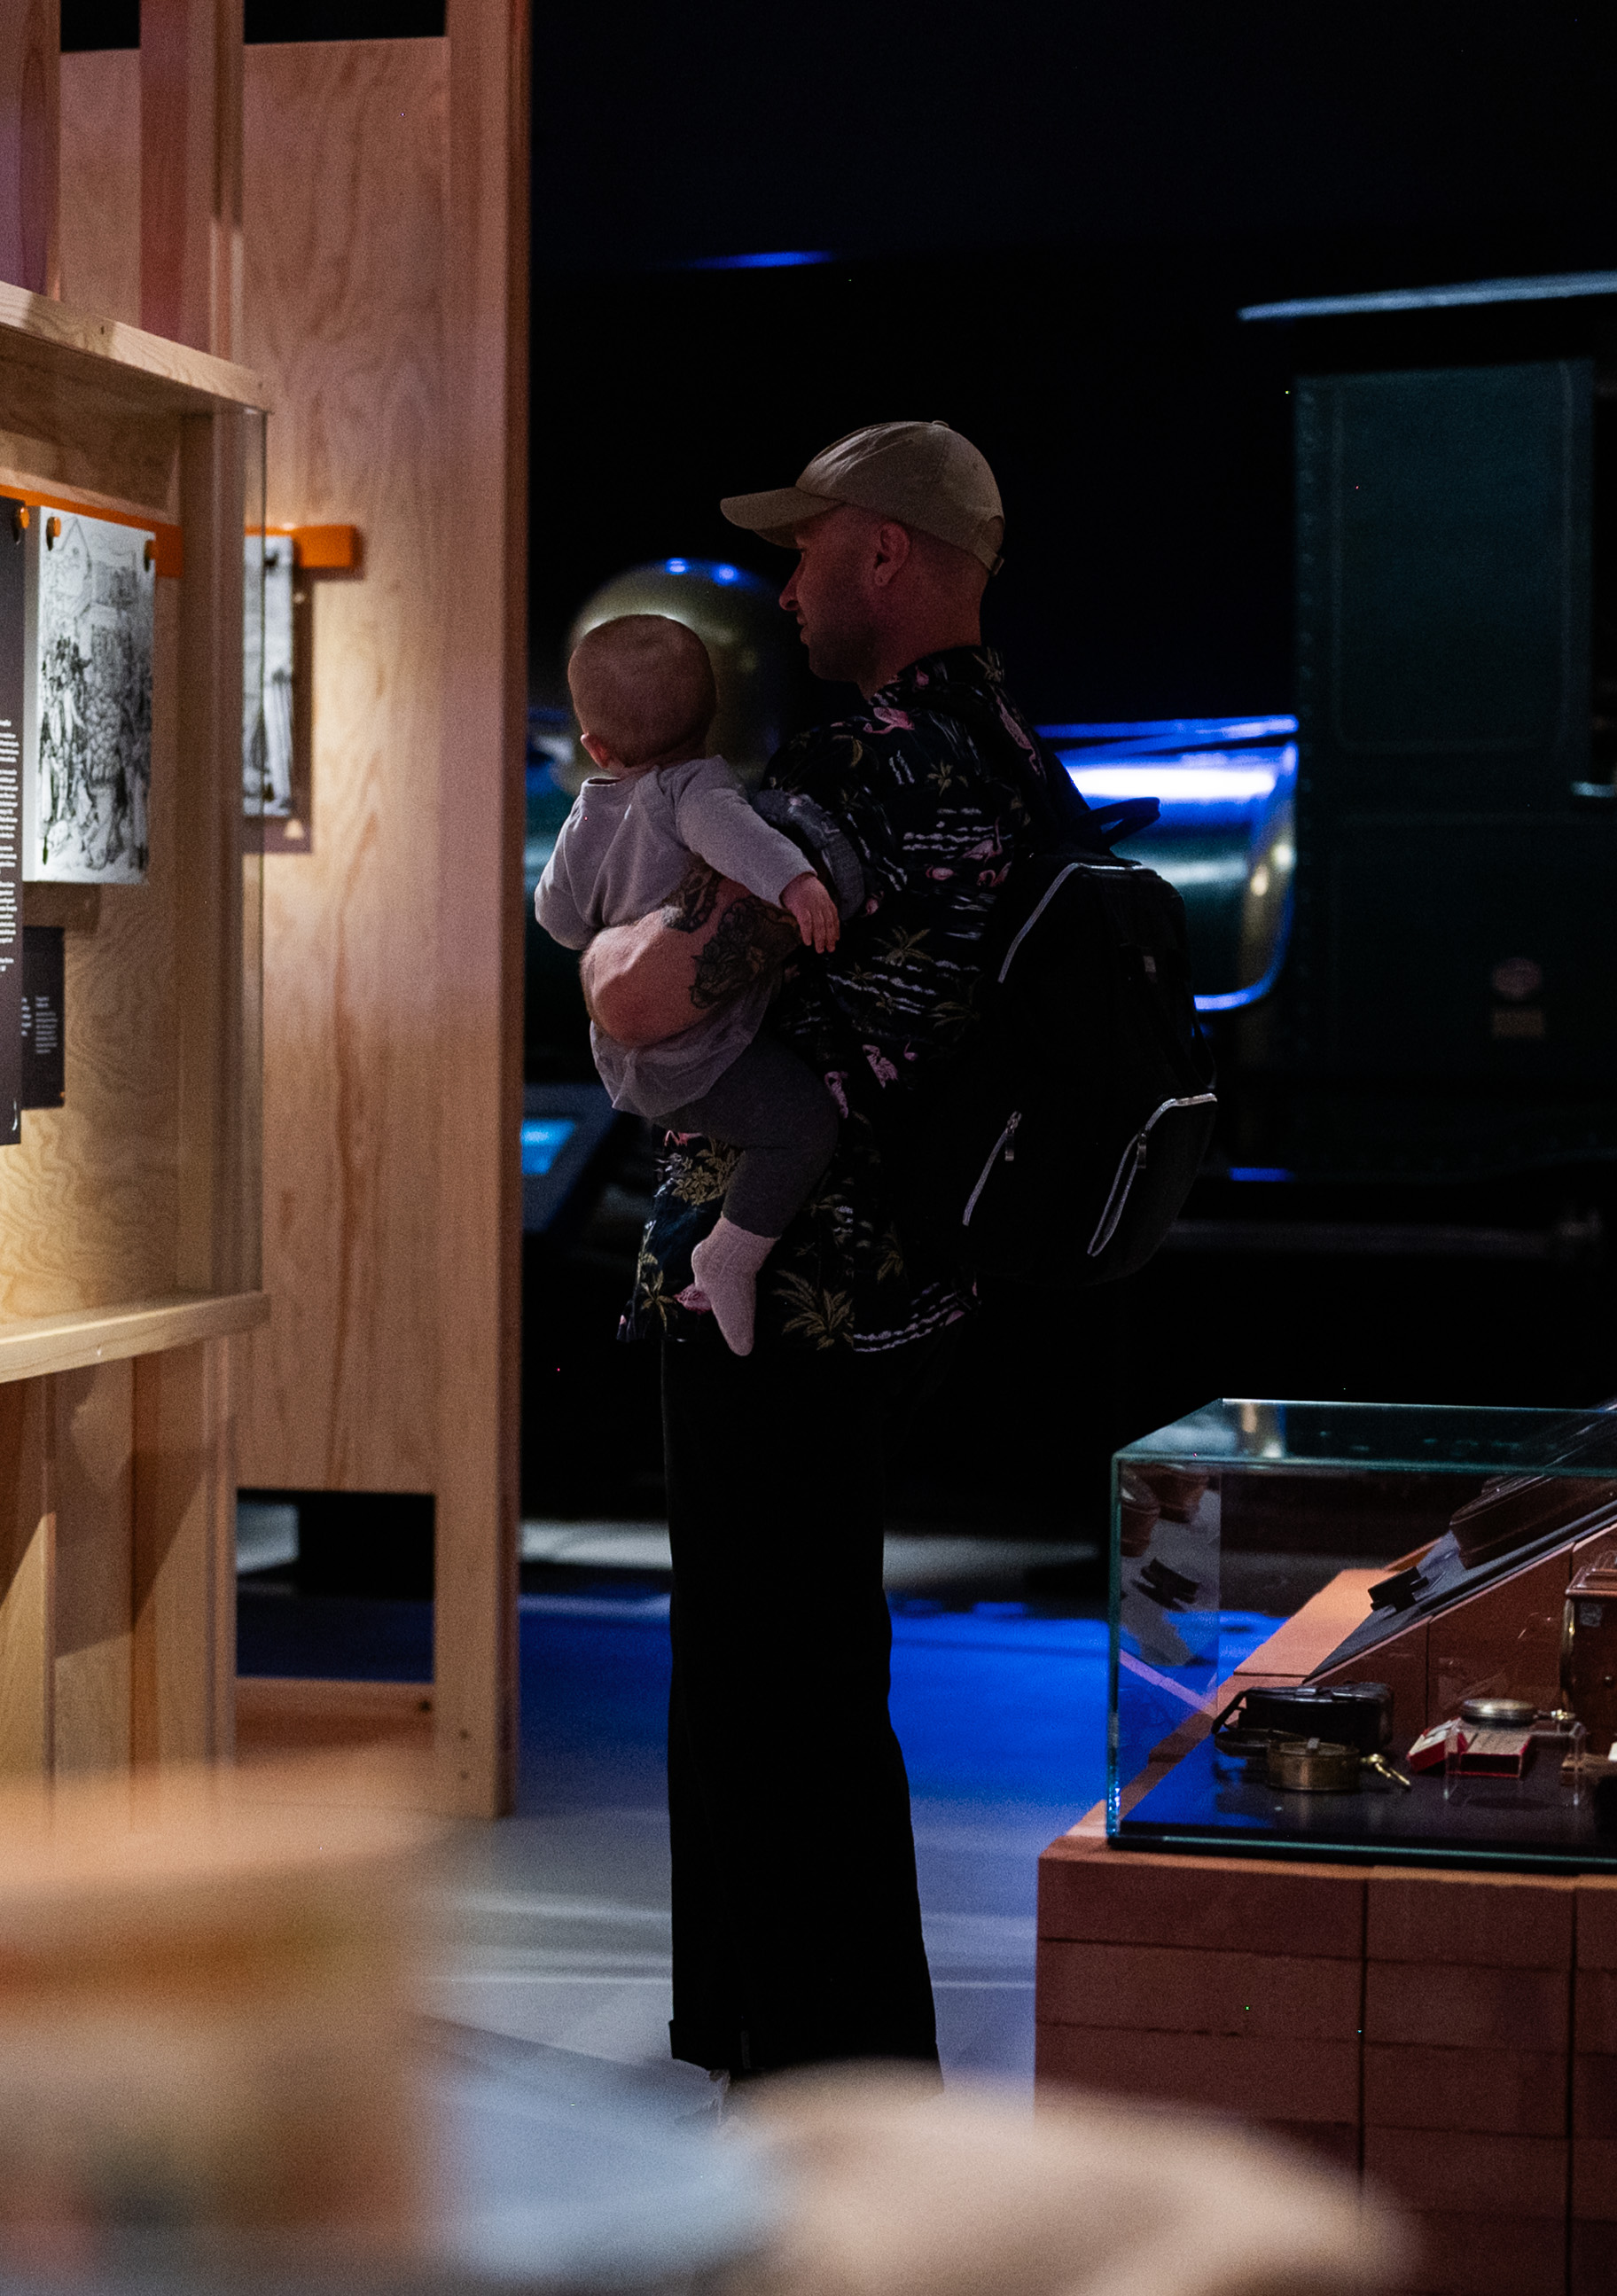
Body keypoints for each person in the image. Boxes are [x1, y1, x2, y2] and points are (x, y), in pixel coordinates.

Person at [579, 420, 1085, 2082]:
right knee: (791, 1652)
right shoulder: (1014, 749)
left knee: (767, 1670)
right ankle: (760, 2021)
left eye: (805, 549)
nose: (782, 588)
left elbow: (655, 995)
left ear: (885, 552)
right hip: (899, 1269)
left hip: (782, 1286)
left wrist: (608, 948)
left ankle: (822, 2063)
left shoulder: (868, 765)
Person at [532, 613, 845, 1355]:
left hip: (630, 1062)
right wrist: (798, 884)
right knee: (803, 1127)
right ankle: (730, 1256)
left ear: (596, 748)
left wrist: (610, 921)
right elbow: (741, 840)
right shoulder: (696, 791)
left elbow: (559, 918)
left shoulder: (586, 814)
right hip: (696, 1053)